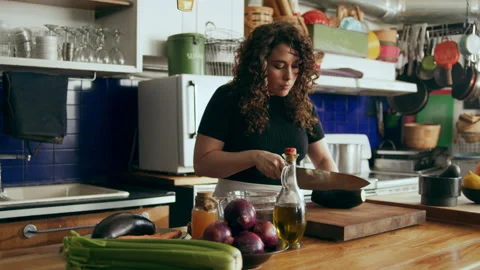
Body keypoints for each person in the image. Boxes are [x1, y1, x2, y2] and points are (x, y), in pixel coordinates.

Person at [194, 21, 338, 197]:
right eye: (279, 66)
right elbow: (202, 163)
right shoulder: (229, 96)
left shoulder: (302, 104)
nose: (289, 76)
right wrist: (254, 157)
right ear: (258, 65)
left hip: (289, 206)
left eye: (295, 66)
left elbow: (323, 159)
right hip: (236, 207)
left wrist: (336, 192)